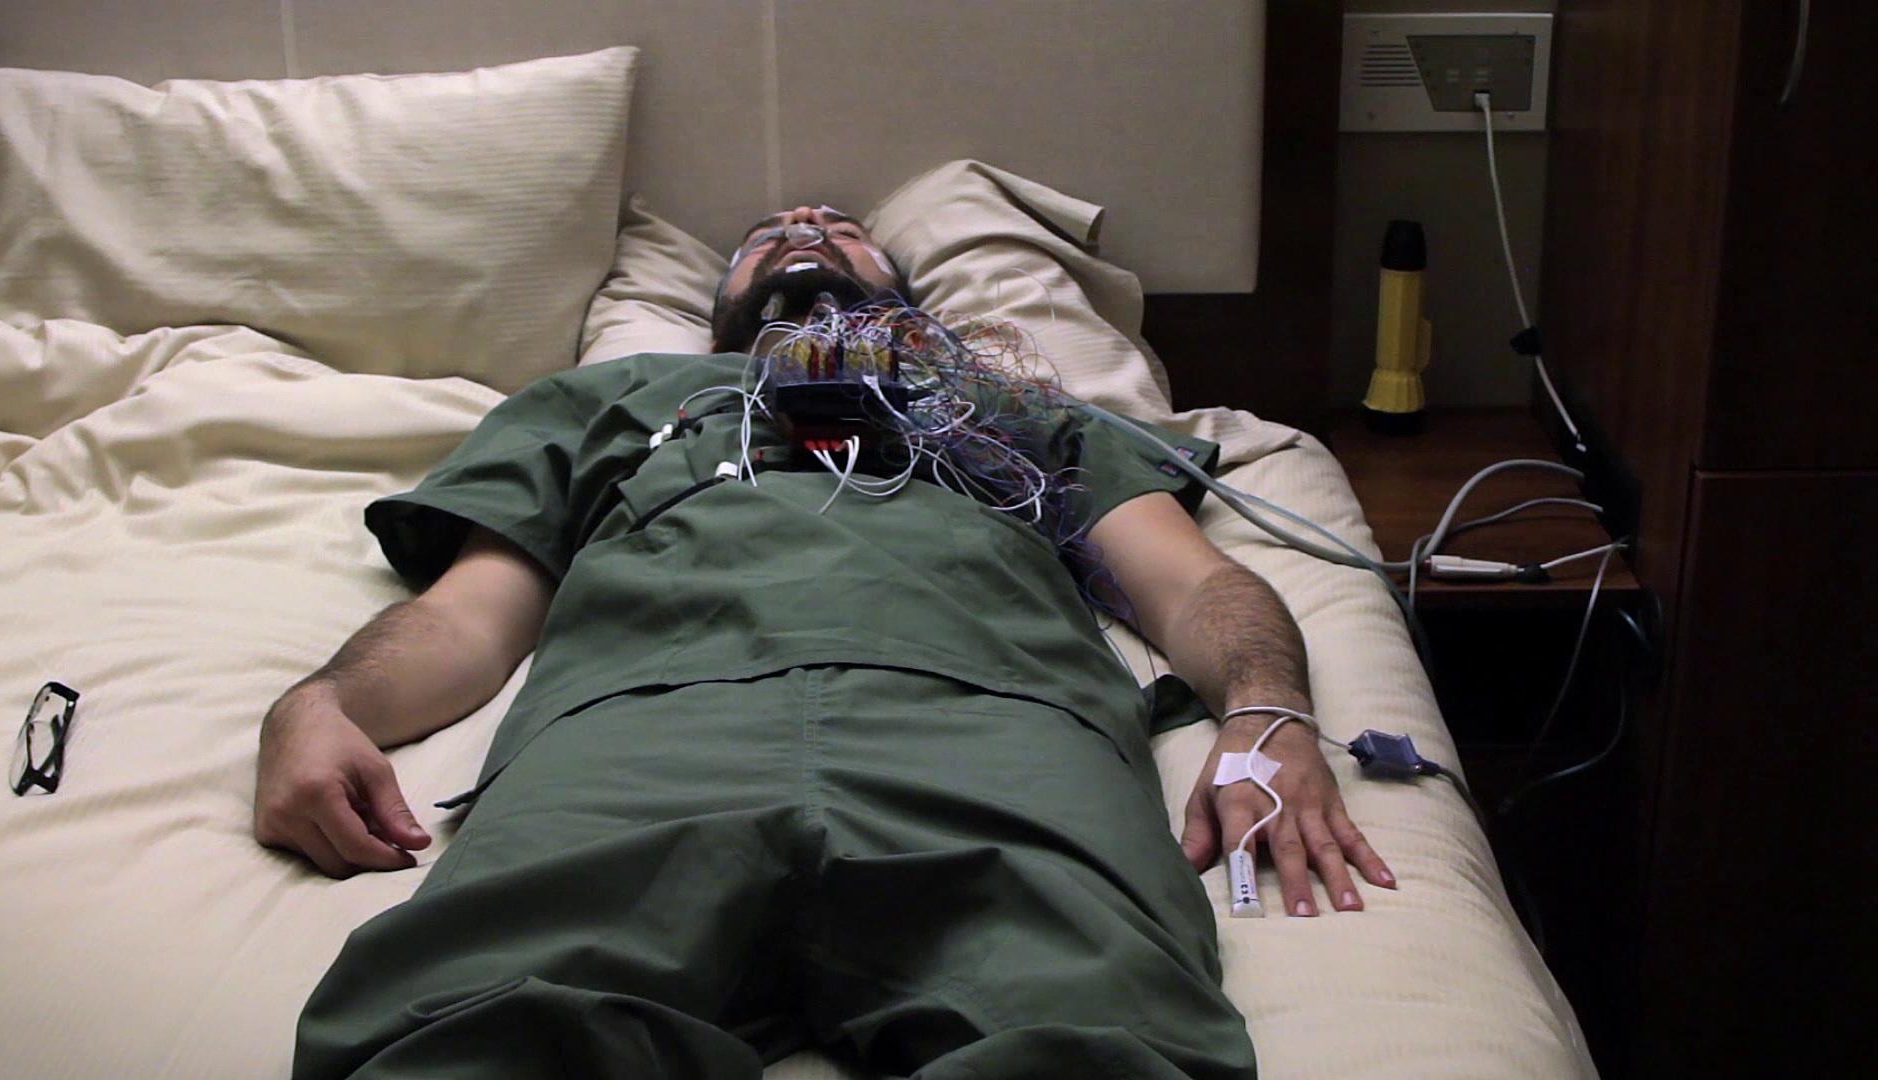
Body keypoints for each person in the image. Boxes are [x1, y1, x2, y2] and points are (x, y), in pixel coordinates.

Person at [259, 204, 1395, 1079]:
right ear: (719, 303)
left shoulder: (1003, 401)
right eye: (765, 235)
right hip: (643, 730)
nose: (803, 228)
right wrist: (321, 704)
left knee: (1096, 1041)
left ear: (905, 288)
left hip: (993, 727)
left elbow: (1192, 583)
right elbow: (469, 614)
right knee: (476, 1037)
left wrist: (1268, 709)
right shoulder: (610, 398)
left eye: (841, 226)